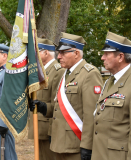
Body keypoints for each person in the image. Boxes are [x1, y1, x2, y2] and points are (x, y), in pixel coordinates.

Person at [31, 32, 103, 160]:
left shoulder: (89, 74)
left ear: (76, 53)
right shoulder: (66, 74)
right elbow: (57, 108)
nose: (59, 57)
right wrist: (43, 107)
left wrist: (87, 146)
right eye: (59, 53)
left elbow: (91, 115)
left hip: (75, 143)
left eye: (63, 53)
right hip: (59, 142)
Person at [91, 32, 131, 160]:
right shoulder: (110, 81)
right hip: (101, 153)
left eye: (106, 54)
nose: (102, 58)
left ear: (120, 57)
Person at [28, 38, 65, 160]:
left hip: (48, 126)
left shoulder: (58, 71)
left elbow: (57, 103)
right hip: (38, 124)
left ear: (45, 53)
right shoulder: (39, 71)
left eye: (36, 52)